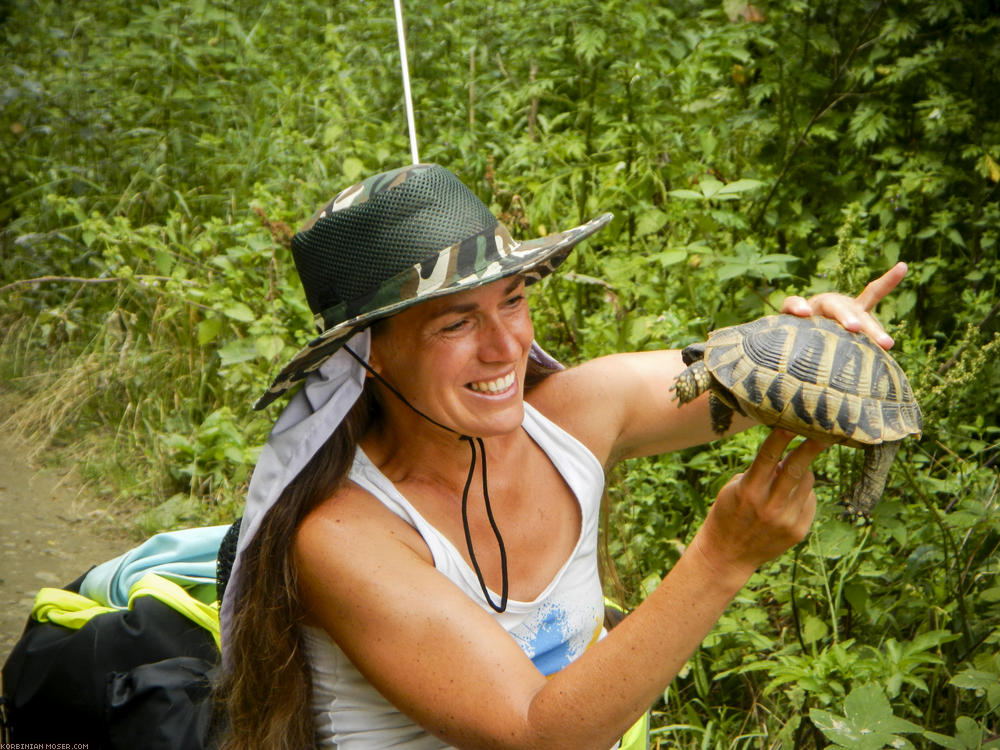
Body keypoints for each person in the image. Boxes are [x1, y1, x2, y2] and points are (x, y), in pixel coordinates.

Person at [217, 163, 906, 750]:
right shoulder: (344, 539)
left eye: (512, 301)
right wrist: (723, 556)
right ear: (367, 355)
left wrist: (817, 346)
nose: (505, 346)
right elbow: (535, 732)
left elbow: (736, 382)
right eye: (456, 321)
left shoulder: (573, 417)